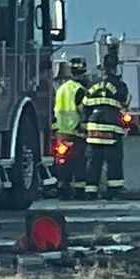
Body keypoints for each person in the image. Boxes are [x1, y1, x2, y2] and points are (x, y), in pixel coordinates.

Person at [82, 61, 130, 200]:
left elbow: (85, 105)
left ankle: (91, 191)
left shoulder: (92, 84)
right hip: (111, 128)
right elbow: (124, 102)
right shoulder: (119, 85)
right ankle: (114, 190)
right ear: (114, 69)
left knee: (93, 161)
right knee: (114, 160)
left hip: (93, 128)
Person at [51, 58, 88, 200]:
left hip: (61, 131)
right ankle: (79, 191)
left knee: (63, 162)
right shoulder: (78, 90)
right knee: (79, 162)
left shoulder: (61, 89)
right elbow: (83, 110)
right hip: (76, 131)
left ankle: (63, 188)